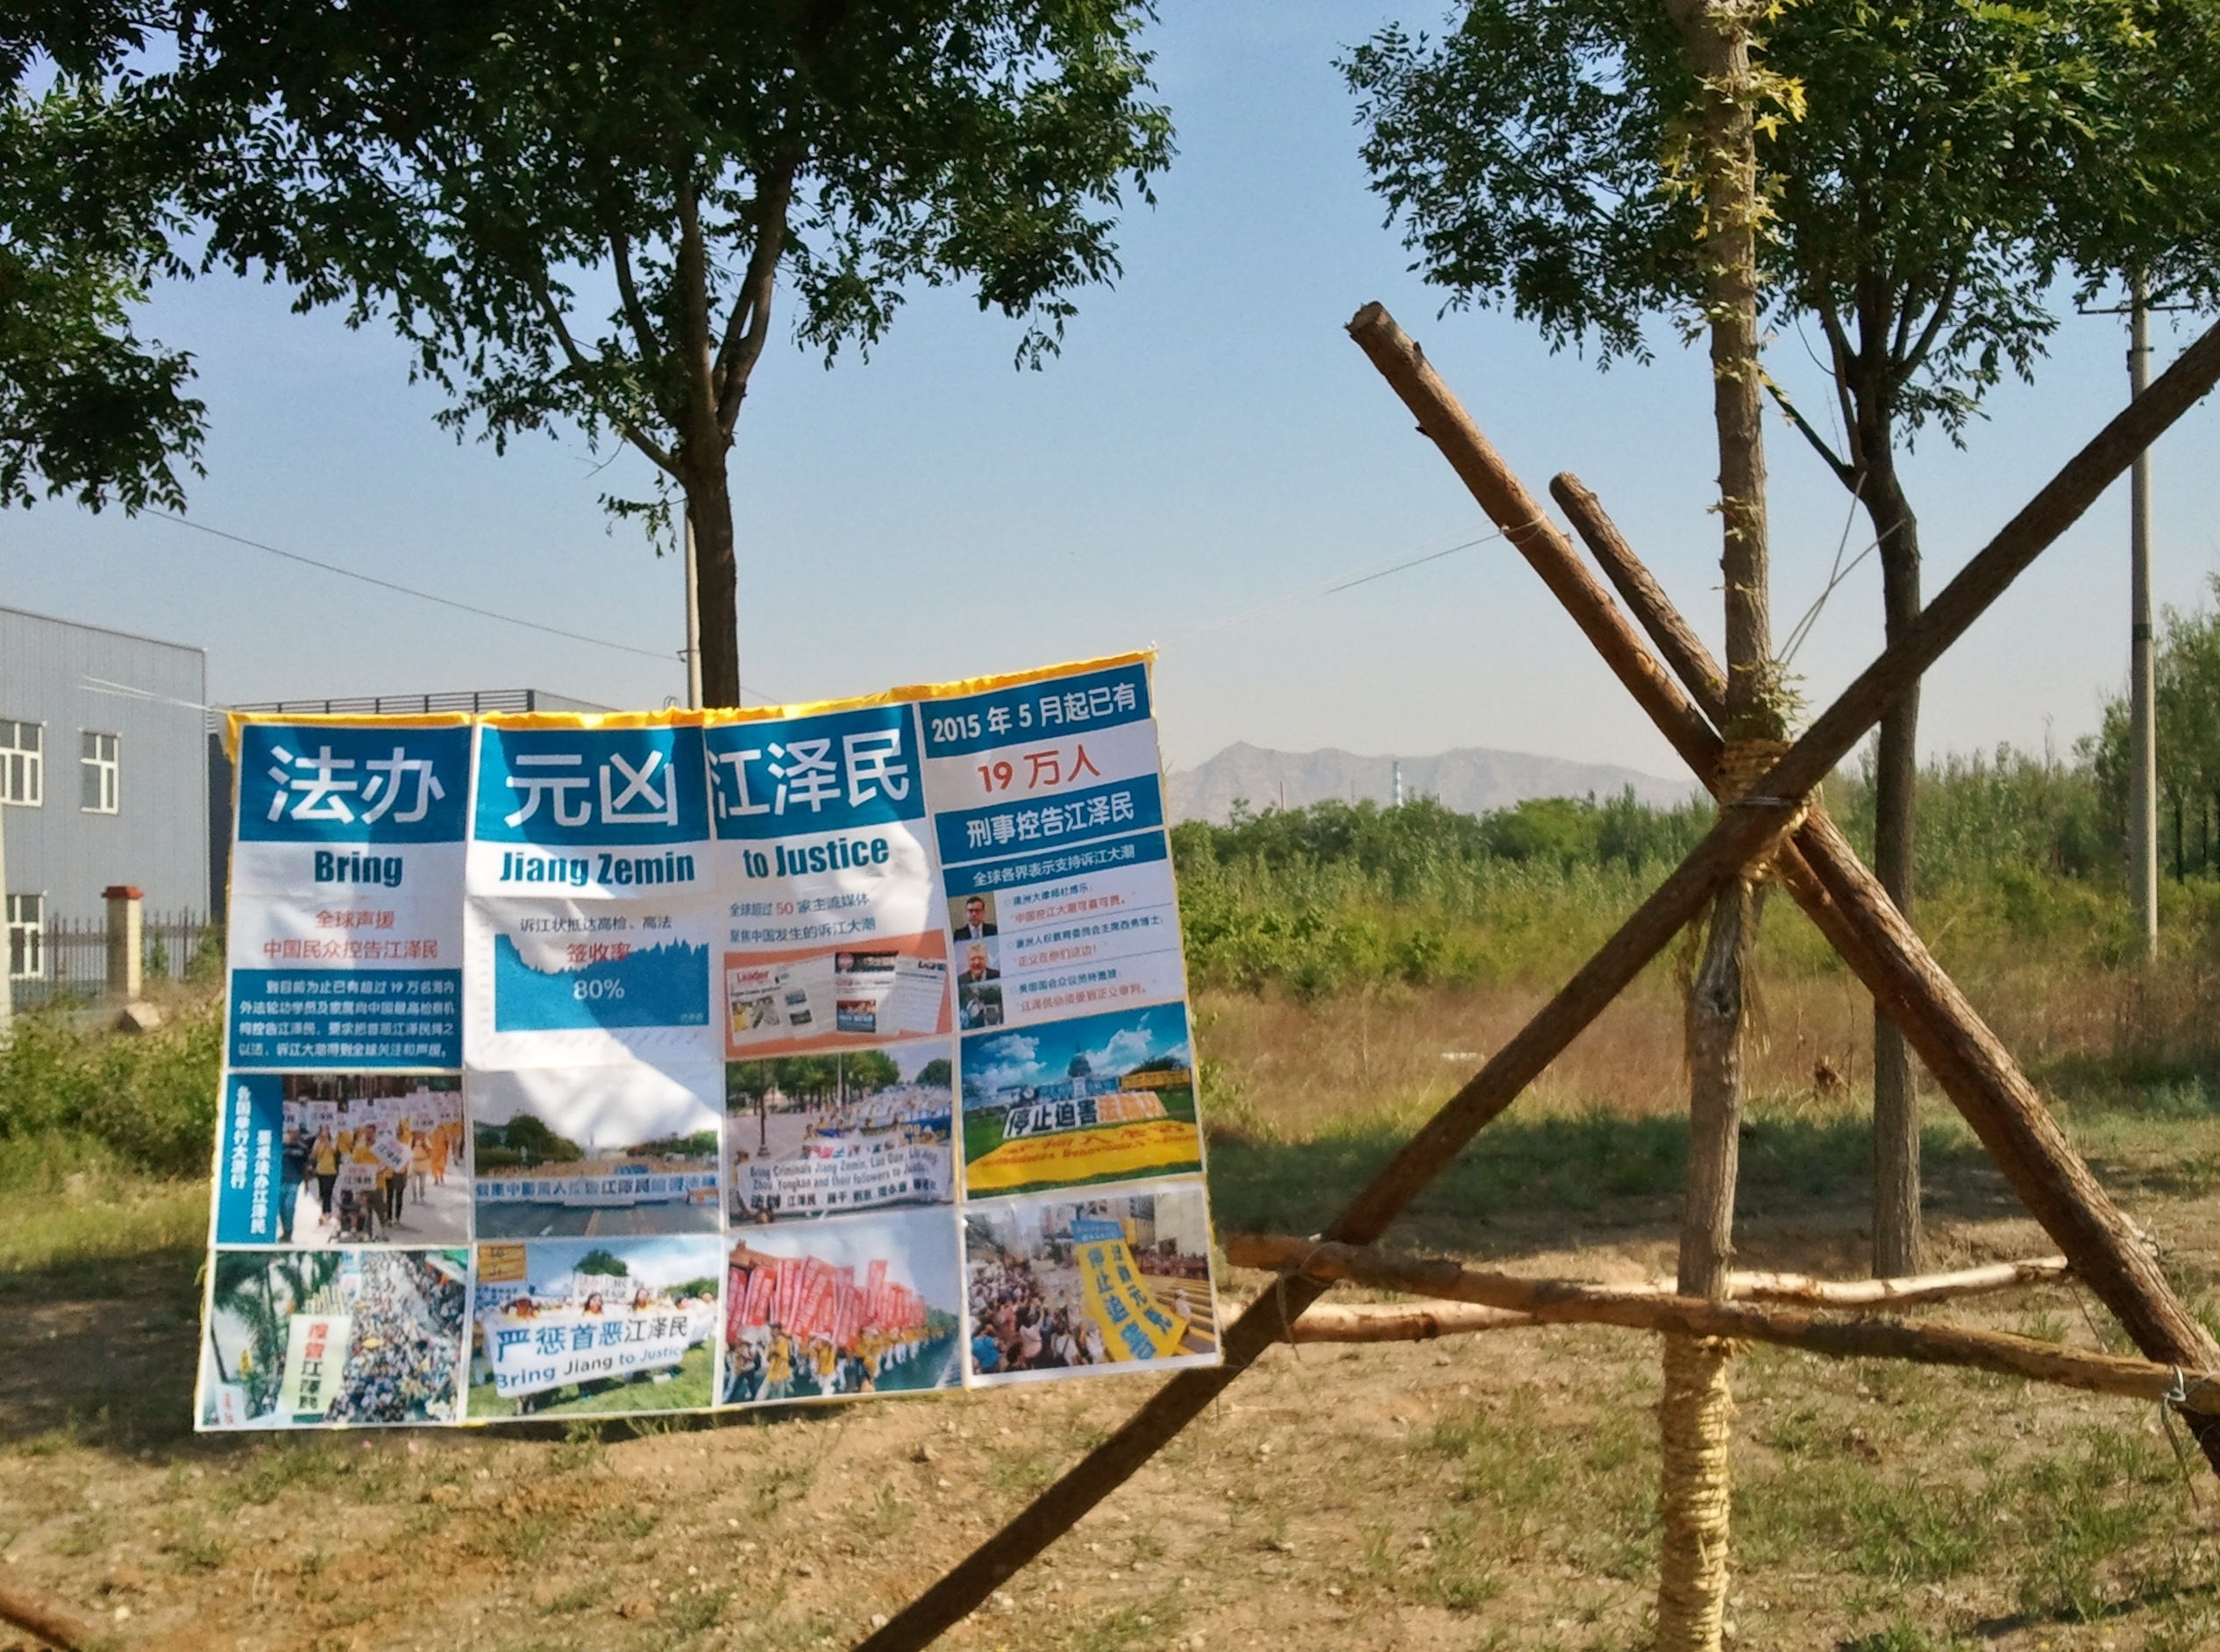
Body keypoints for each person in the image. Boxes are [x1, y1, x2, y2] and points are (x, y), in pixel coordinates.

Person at [278, 1126, 309, 1243]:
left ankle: (289, 1232)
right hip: (281, 1181)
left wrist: (306, 1183)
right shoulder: (281, 1146)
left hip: (294, 1181)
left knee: (289, 1206)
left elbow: (305, 1166)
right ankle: (285, 1231)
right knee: (281, 1207)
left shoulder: (302, 1149)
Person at [312, 1128, 339, 1222]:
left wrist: (326, 1141)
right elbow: (314, 1155)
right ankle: (324, 1211)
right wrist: (318, 1143)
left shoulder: (333, 1141)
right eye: (323, 1130)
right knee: (323, 1194)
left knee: (327, 1192)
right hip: (320, 1170)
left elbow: (333, 1150)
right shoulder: (318, 1141)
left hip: (331, 1171)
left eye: (326, 1130)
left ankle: (327, 1213)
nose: (324, 1132)